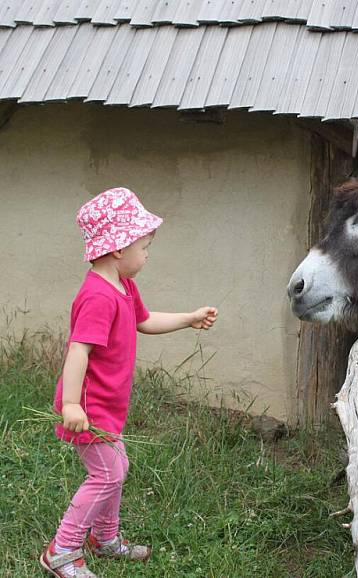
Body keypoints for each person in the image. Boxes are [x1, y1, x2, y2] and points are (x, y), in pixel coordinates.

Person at [40, 187, 218, 577]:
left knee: (116, 467)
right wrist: (72, 404)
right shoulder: (98, 297)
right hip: (90, 409)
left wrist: (188, 318)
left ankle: (104, 539)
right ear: (119, 247)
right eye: (144, 245)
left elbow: (144, 321)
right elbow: (78, 351)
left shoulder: (124, 287)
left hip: (109, 407)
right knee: (107, 473)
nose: (148, 253)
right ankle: (63, 549)